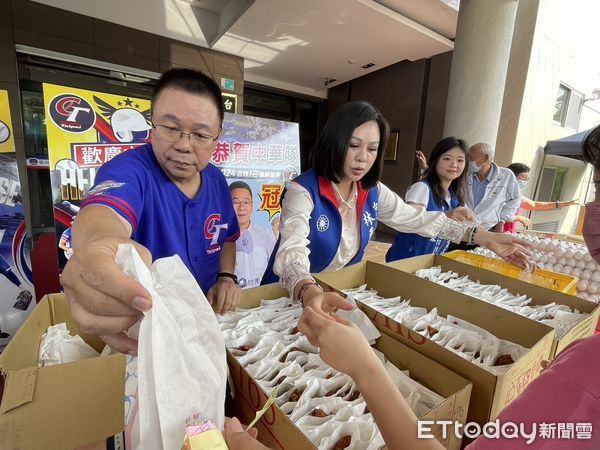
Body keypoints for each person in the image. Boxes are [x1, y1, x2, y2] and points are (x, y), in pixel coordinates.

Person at [261, 101, 532, 319]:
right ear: (334, 141)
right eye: (354, 145)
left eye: (372, 149)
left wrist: (482, 237)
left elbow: (415, 219)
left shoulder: (371, 190)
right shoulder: (303, 190)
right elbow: (292, 252)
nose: (362, 157)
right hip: (288, 296)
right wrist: (309, 291)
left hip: (332, 295)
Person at [61, 68, 242, 355]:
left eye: (200, 134)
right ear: (152, 124)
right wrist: (96, 246)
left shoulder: (217, 181)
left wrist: (226, 277)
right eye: (171, 128)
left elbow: (229, 237)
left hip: (207, 318)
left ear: (216, 138)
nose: (184, 145)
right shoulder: (128, 171)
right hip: (147, 330)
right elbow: (102, 217)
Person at [386, 137, 469, 262]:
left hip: (430, 264)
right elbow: (411, 222)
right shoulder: (422, 188)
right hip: (405, 262)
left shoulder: (454, 197)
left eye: (460, 160)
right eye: (447, 158)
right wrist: (446, 216)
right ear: (435, 161)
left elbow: (452, 232)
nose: (454, 165)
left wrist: (481, 234)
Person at [503, 162, 579, 232]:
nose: (525, 180)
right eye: (523, 177)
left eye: (526, 178)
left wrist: (563, 204)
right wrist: (518, 218)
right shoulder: (501, 192)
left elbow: (534, 205)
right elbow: (499, 215)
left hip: (506, 233)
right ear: (512, 175)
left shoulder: (516, 195)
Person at [230, 181, 277, 289]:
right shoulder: (220, 238)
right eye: (236, 202)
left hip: (261, 296)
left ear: (252, 205)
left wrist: (280, 237)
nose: (241, 207)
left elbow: (279, 266)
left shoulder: (266, 234)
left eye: (246, 202)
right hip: (232, 299)